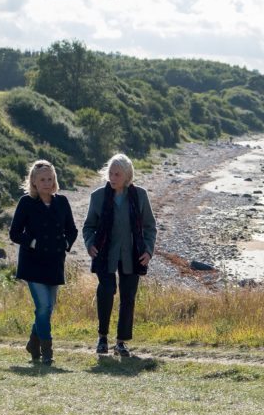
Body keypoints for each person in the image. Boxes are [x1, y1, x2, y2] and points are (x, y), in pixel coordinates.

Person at [83, 153, 157, 357]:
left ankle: (121, 342)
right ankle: (102, 338)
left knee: (128, 297)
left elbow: (150, 227)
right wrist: (90, 245)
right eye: (111, 173)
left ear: (127, 176)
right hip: (105, 254)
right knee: (106, 291)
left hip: (132, 255)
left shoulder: (140, 196)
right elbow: (89, 227)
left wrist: (148, 251)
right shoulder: (97, 197)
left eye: (117, 174)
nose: (113, 178)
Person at [9, 160, 78, 364]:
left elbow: (72, 230)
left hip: (55, 262)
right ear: (34, 182)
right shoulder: (26, 203)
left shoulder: (62, 202)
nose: (47, 183)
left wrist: (65, 243)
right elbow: (14, 233)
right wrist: (32, 242)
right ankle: (47, 351)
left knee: (47, 308)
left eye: (50, 179)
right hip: (33, 263)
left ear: (54, 180)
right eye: (42, 180)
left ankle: (33, 343)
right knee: (43, 306)